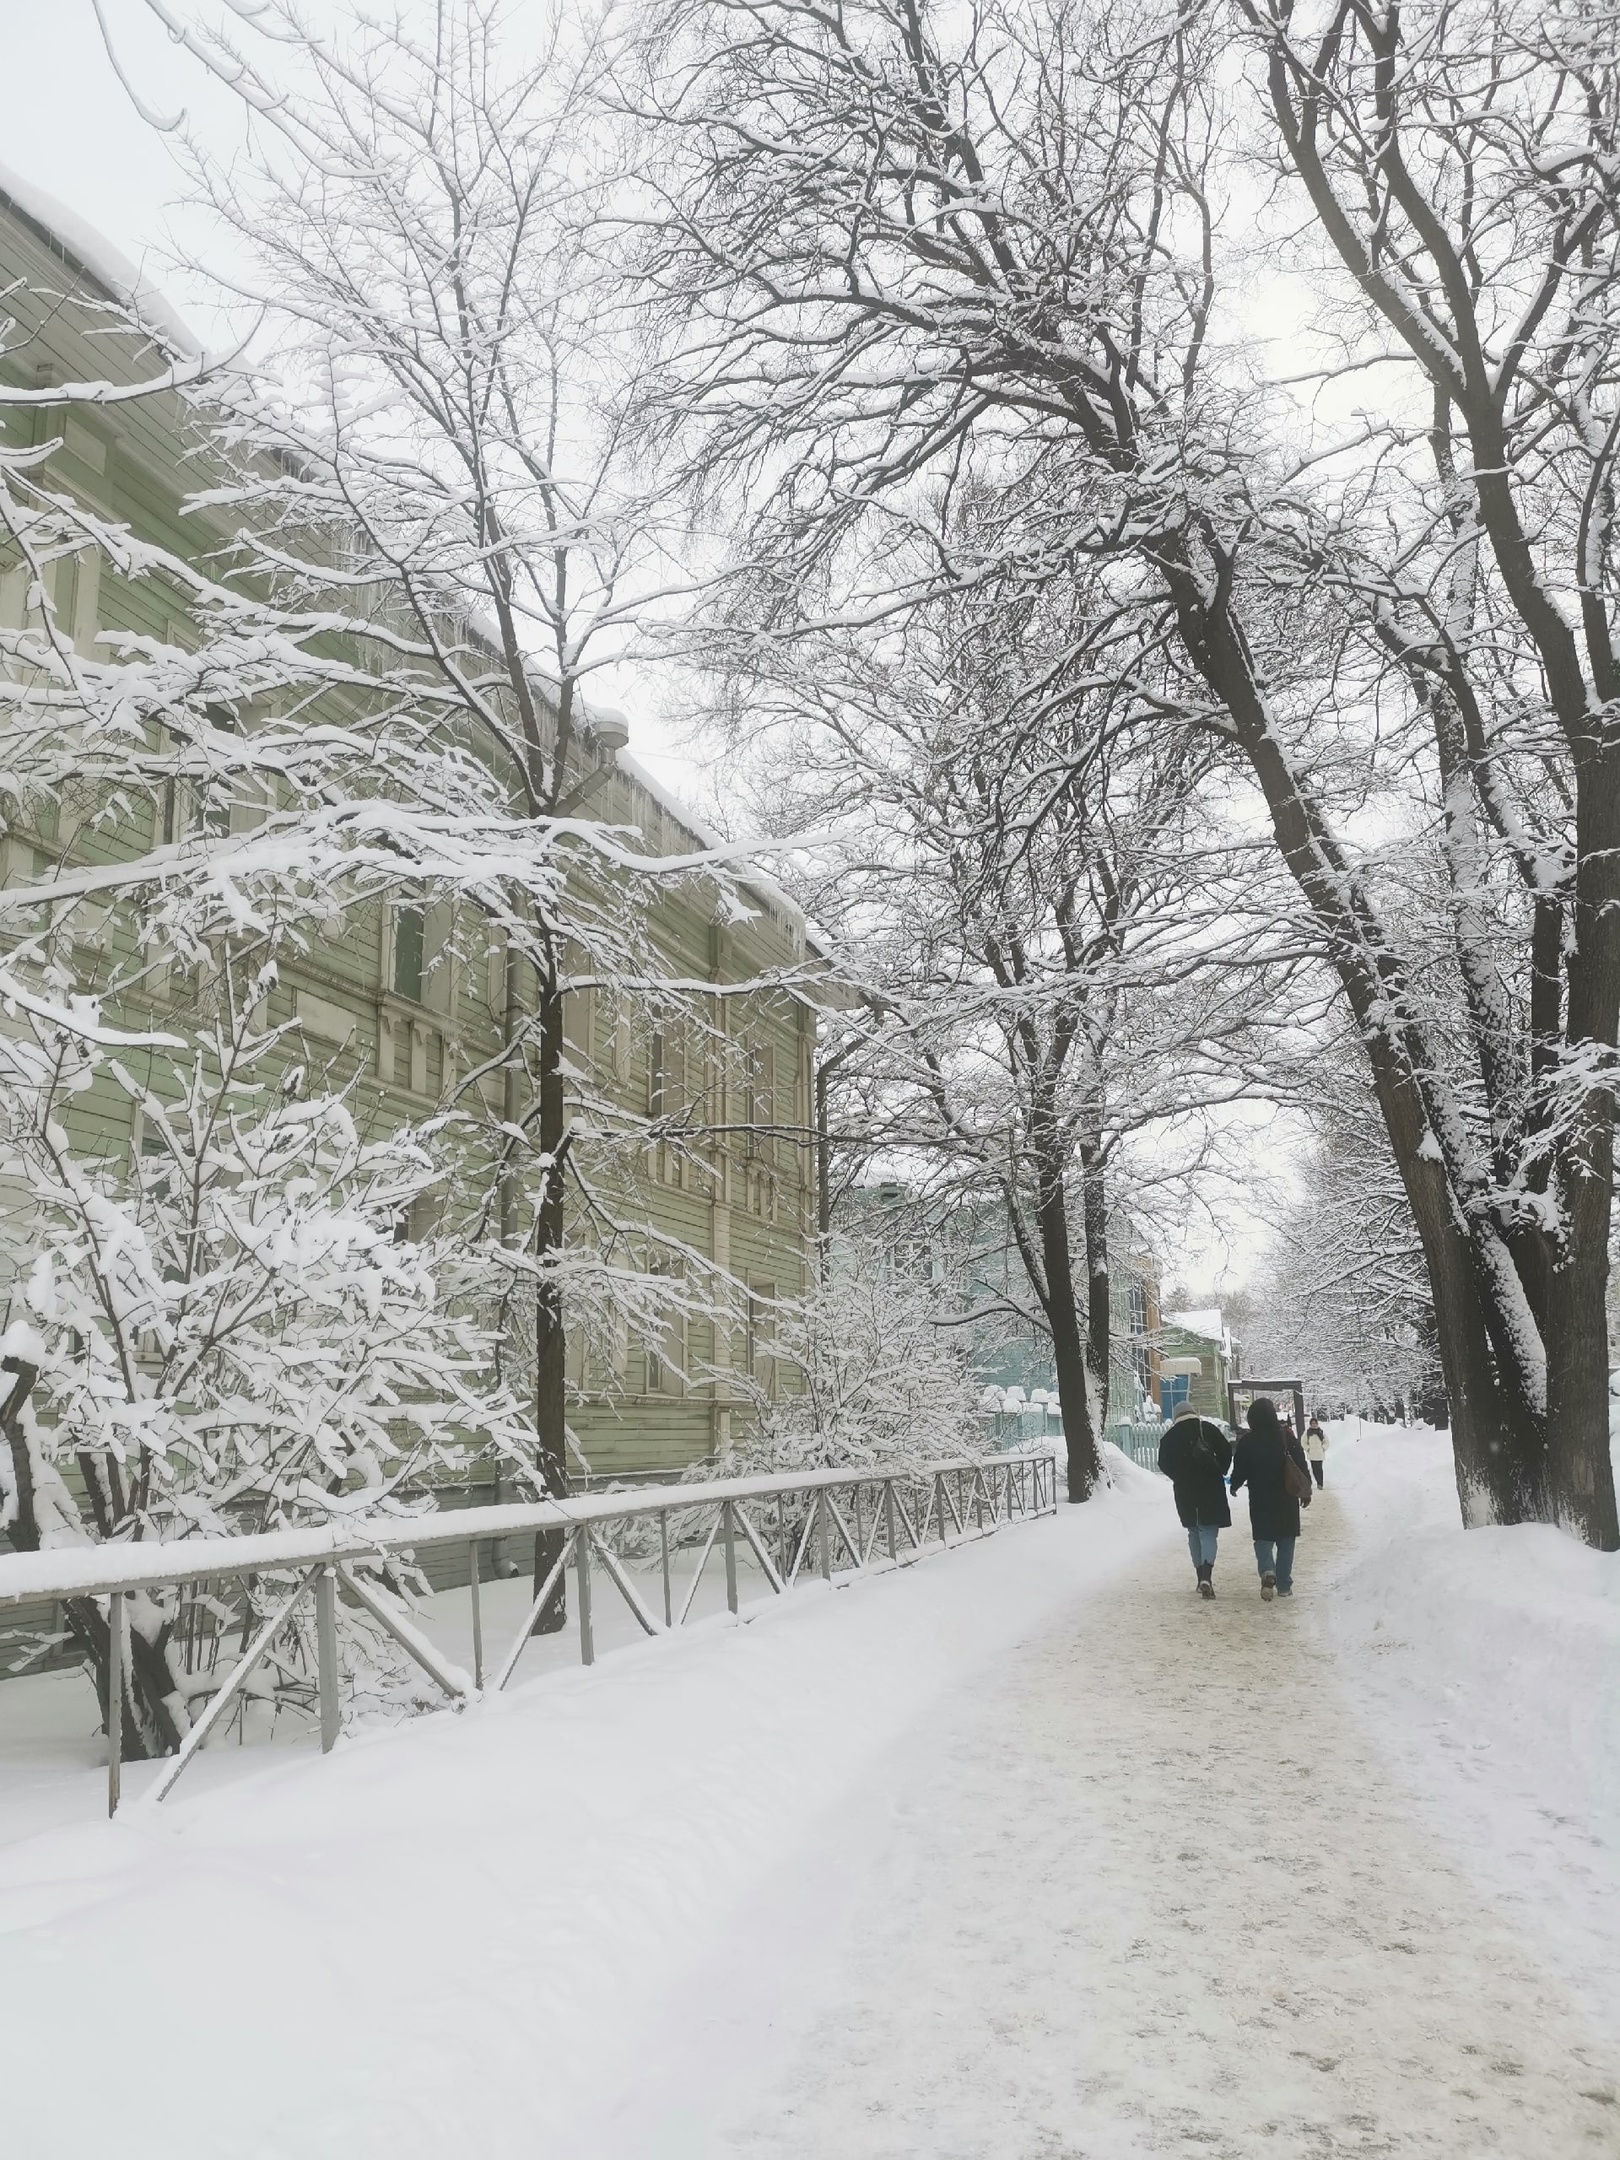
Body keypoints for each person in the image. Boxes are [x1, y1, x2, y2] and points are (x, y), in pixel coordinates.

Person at [1229, 1395, 1311, 1601]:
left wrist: (1235, 1484)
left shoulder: (1248, 1440)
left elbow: (1240, 1467)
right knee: (1286, 1540)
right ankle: (1284, 1584)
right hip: (1286, 1497)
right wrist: (1305, 1489)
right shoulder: (1286, 1437)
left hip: (1260, 1498)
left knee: (1263, 1539)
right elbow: (1300, 1463)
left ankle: (1267, 1571)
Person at [1157, 1401, 1233, 1599]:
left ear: (1176, 1416)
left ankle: (1200, 1578)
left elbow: (1163, 1463)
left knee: (1193, 1530)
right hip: (1211, 1488)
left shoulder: (1170, 1437)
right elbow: (1226, 1451)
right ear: (1194, 1412)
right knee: (1208, 1531)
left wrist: (1178, 1475)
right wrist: (1219, 1470)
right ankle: (1208, 1575)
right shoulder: (1207, 1429)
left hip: (1185, 1490)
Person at [1304, 1415, 1327, 1488]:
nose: (1314, 1425)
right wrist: (1308, 1448)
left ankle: (1320, 1483)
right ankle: (1318, 1481)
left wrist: (1323, 1448)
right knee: (1314, 1469)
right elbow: (1303, 1442)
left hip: (1319, 1454)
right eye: (1312, 1423)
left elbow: (1326, 1441)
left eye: (1315, 1423)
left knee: (1319, 1469)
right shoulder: (1307, 1433)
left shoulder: (1321, 1432)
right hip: (1312, 1454)